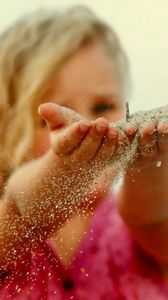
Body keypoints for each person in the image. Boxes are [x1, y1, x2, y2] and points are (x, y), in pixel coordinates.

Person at [0, 5, 168, 300]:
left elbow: (150, 218)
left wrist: (146, 164)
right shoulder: (10, 233)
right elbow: (20, 209)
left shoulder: (137, 228)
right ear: (8, 131)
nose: (92, 126)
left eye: (103, 107)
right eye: (47, 119)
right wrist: (64, 170)